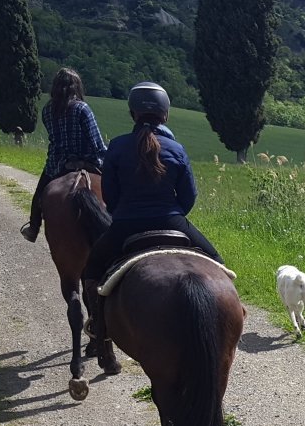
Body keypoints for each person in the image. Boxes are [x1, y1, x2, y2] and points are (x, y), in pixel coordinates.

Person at [81, 82, 226, 334]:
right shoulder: (177, 149)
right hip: (172, 221)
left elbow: (111, 196)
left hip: (126, 225)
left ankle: (98, 325)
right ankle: (233, 314)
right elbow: (189, 196)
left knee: (91, 270)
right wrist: (173, 214)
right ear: (165, 115)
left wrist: (123, 214)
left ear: (132, 113)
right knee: (217, 262)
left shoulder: (116, 146)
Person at [20, 67, 107, 242]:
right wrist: (107, 157)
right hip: (87, 162)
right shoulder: (83, 109)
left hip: (57, 164)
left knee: (39, 194)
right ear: (76, 87)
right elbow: (96, 142)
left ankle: (33, 227)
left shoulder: (47, 110)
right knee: (116, 189)